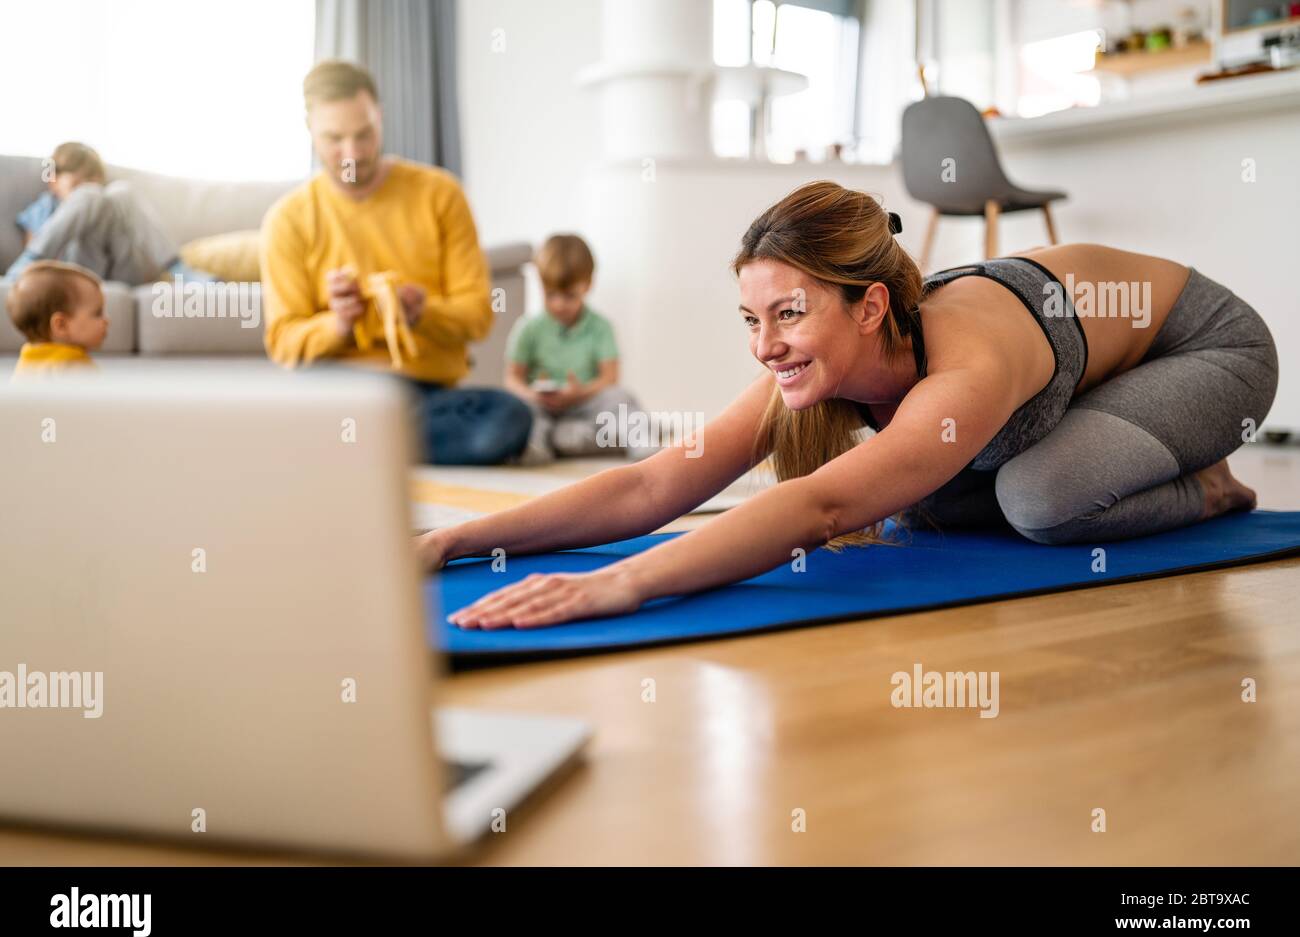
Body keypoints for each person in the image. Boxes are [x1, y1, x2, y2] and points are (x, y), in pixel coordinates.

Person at [416, 180, 1277, 630]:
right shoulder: (820, 362)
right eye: (753, 319)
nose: (766, 345)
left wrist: (623, 582)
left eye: (789, 315)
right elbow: (651, 488)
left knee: (1037, 499)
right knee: (923, 496)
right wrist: (454, 539)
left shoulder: (963, 366)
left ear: (868, 306)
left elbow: (820, 503)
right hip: (1084, 377)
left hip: (1204, 350)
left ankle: (1208, 485)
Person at [259, 59, 531, 465]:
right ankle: (370, 444)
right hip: (334, 389)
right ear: (309, 129)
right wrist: (339, 325)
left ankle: (348, 447)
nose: (352, 153)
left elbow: (478, 314)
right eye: (335, 138)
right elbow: (283, 343)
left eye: (364, 134)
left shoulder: (441, 194)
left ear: (380, 117)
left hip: (423, 394)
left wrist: (422, 310)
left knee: (508, 418)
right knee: (272, 411)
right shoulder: (287, 219)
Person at [504, 234, 652, 463]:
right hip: (544, 410)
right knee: (522, 409)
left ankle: (643, 444)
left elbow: (610, 377)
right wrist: (533, 394)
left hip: (585, 405)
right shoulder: (527, 328)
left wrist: (580, 393)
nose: (559, 304)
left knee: (621, 397)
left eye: (569, 296)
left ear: (588, 285)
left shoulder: (600, 327)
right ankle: (537, 447)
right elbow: (512, 379)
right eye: (551, 295)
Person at [4, 142, 204, 285]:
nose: (87, 189)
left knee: (122, 191)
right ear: (53, 181)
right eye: (77, 185)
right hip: (74, 274)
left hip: (121, 273)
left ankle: (178, 269)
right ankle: (28, 264)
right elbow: (33, 241)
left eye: (93, 183)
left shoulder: (110, 202)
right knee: (90, 196)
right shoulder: (45, 207)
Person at [6, 260, 108, 379]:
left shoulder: (26, 361)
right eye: (97, 313)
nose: (106, 320)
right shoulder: (75, 365)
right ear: (61, 325)